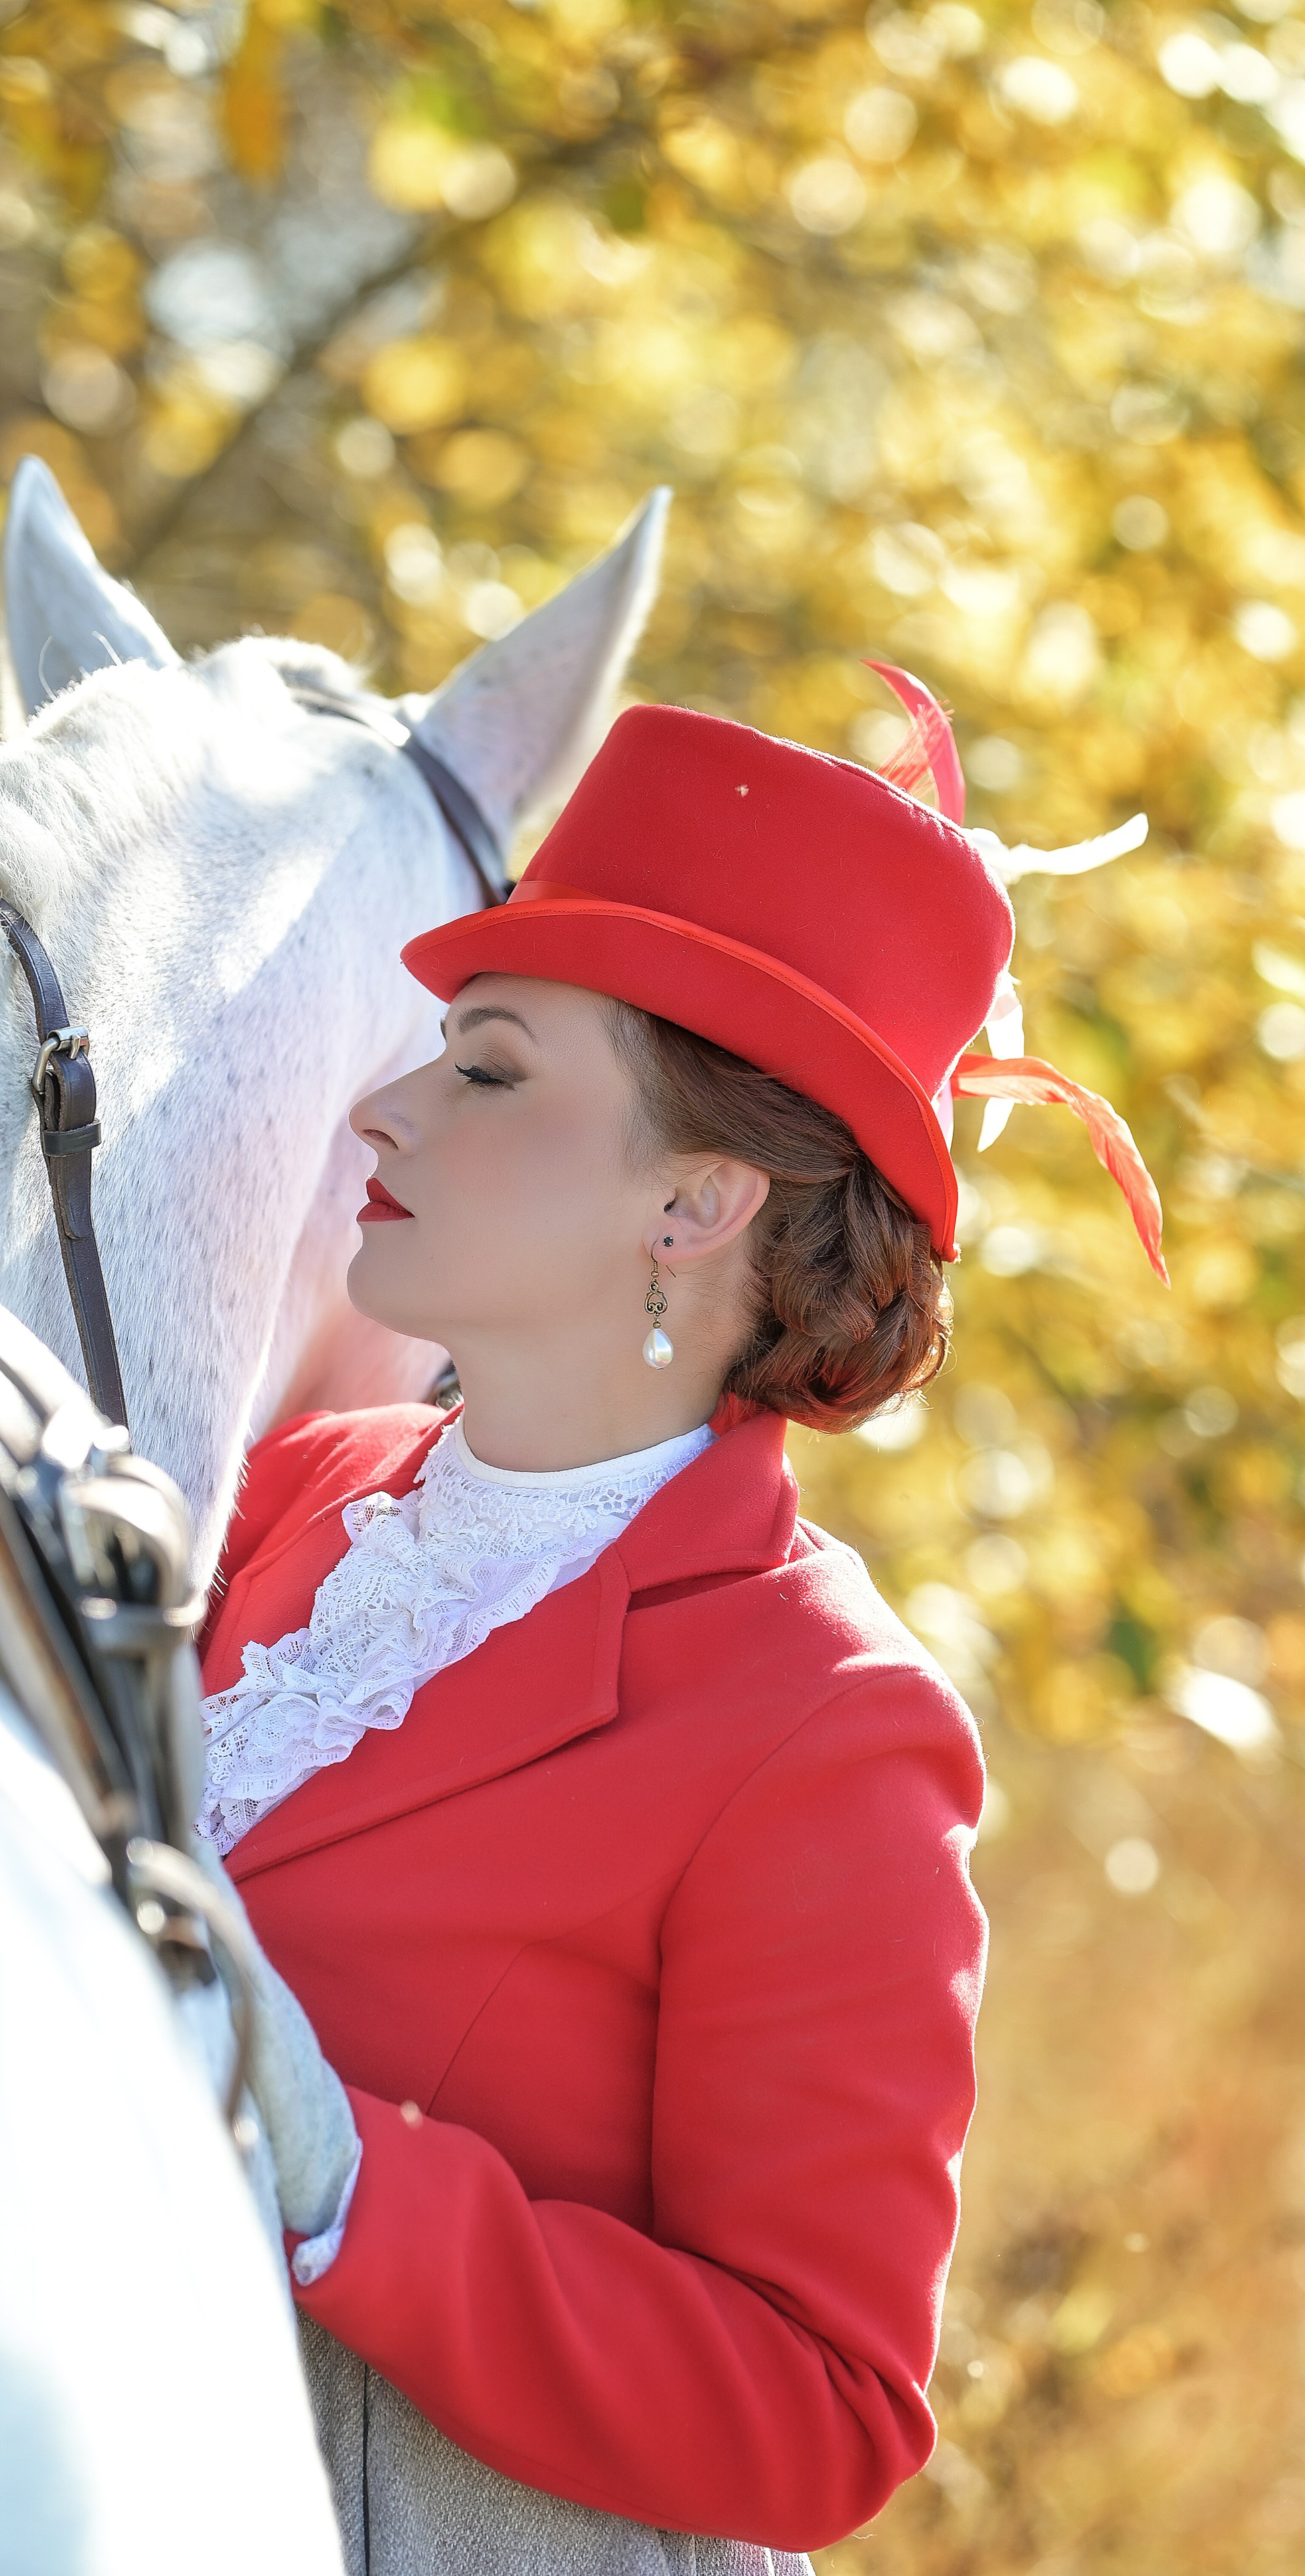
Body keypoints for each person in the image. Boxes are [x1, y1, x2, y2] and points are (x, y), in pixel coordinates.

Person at [200, 692, 1164, 2573]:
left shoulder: (827, 1724)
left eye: (487, 1069)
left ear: (698, 1199)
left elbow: (823, 2409)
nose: (382, 1105)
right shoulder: (291, 1495)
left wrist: (344, 2182)